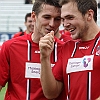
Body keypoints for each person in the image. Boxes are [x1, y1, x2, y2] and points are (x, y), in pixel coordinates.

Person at [0, 0, 70, 99]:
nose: (52, 24)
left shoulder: (65, 50)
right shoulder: (11, 47)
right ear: (34, 16)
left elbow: (54, 94)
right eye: (47, 17)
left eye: (57, 19)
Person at [39, 0, 100, 100]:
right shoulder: (68, 47)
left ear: (89, 15)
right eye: (63, 19)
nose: (65, 24)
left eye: (70, 18)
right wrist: (44, 57)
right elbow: (51, 94)